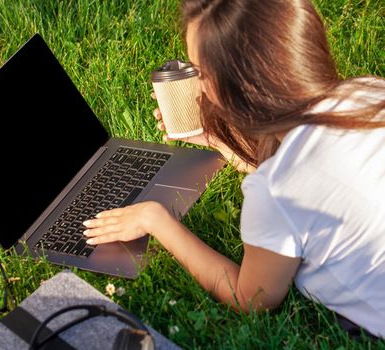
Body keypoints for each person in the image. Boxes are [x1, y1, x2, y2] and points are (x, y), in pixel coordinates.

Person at [83, 0, 385, 339]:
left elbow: (251, 300)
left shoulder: (276, 191)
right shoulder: (369, 92)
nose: (198, 87)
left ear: (240, 87)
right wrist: (218, 141)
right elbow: (316, 179)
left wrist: (156, 221)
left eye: (201, 74)